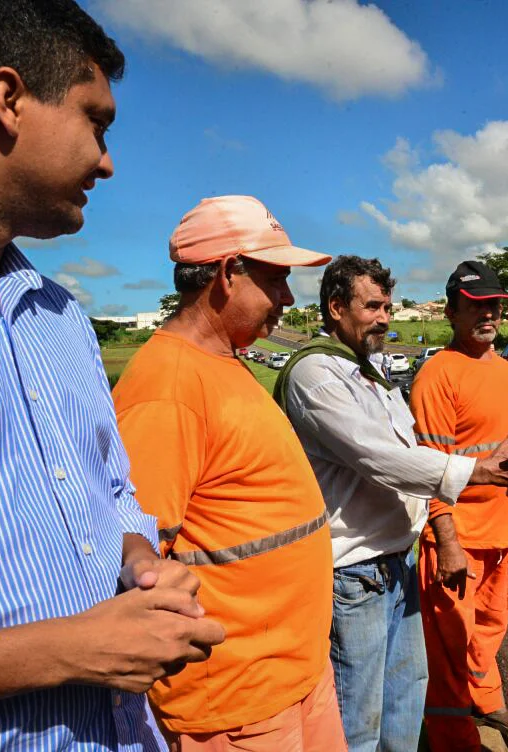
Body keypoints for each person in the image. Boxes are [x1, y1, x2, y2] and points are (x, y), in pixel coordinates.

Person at [0, 2, 226, 749]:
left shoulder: (61, 317)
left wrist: (141, 562)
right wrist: (71, 650)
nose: (108, 160)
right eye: (96, 121)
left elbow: (111, 492)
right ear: (8, 100)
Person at [275, 255, 508, 752]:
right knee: (362, 718)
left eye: (388, 306)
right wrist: (461, 505)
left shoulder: (367, 374)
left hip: (404, 559)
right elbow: (384, 458)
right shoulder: (319, 374)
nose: (385, 317)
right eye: (373, 306)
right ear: (336, 307)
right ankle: (457, 739)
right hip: (360, 571)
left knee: (406, 703)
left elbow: (497, 450)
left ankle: (480, 707)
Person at [112, 196, 346, 751]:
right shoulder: (168, 386)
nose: (288, 297)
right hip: (236, 706)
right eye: (276, 279)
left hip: (295, 675)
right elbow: (141, 556)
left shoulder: (226, 361)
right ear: (226, 274)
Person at [411, 260, 508, 751]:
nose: (488, 313)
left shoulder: (505, 371)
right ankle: (455, 739)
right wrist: (445, 541)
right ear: (452, 311)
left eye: (494, 304)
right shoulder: (438, 375)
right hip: (457, 541)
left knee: (490, 628)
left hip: (501, 532)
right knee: (450, 646)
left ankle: (486, 698)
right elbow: (429, 470)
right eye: (475, 305)